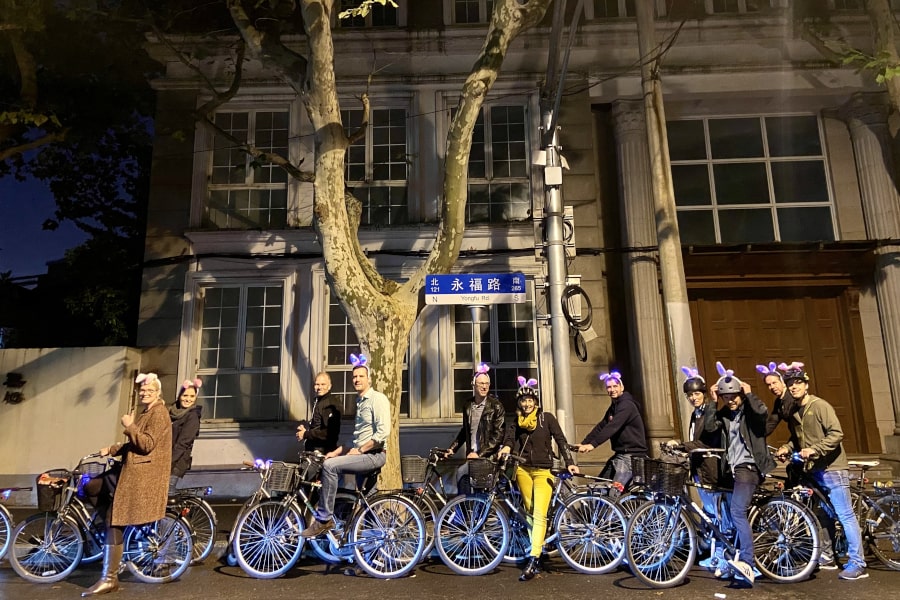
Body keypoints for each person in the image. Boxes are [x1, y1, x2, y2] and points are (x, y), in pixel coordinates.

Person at [774, 362, 868, 581]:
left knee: (845, 515)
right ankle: (827, 556)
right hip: (814, 470)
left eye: (798, 382)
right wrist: (787, 448)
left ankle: (858, 563)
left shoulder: (820, 406)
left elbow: (836, 434)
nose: (794, 386)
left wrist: (814, 450)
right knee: (823, 514)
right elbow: (798, 439)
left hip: (832, 468)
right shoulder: (796, 410)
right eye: (790, 384)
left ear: (806, 384)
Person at [82, 372, 172, 596]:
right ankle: (114, 528)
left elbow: (146, 444)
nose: (145, 393)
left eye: (149, 390)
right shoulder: (148, 412)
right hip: (131, 469)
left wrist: (129, 425)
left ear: (158, 392)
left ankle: (109, 578)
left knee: (114, 520)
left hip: (142, 476)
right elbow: (134, 444)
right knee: (91, 486)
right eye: (142, 390)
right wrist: (111, 449)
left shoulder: (159, 413)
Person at [498, 376, 579, 582]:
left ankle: (533, 559)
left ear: (536, 401)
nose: (526, 404)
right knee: (529, 514)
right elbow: (509, 437)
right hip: (523, 470)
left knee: (540, 513)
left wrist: (569, 461)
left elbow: (561, 440)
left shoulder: (547, 418)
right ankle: (539, 548)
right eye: (523, 400)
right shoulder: (516, 421)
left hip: (543, 471)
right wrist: (506, 447)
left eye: (530, 400)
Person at [301, 354, 388, 538]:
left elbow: (382, 433)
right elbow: (354, 439)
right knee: (369, 502)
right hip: (364, 455)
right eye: (354, 377)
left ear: (369, 379)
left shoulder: (377, 399)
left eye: (361, 376)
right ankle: (378, 542)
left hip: (373, 455)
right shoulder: (360, 402)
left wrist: (361, 450)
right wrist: (336, 452)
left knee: (329, 467)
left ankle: (324, 519)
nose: (357, 379)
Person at [704, 362, 774, 586]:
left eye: (733, 396)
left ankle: (748, 562)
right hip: (733, 470)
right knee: (729, 512)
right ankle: (732, 557)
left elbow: (762, 414)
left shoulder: (750, 412)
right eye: (726, 397)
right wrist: (713, 401)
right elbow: (711, 429)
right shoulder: (726, 414)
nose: (731, 400)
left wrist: (750, 394)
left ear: (740, 394)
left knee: (737, 512)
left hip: (749, 467)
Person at [671, 366, 731, 573]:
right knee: (710, 513)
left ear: (704, 394)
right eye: (690, 395)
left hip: (711, 468)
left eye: (697, 393)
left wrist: (682, 445)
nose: (693, 398)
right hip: (699, 468)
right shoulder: (696, 413)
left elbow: (707, 439)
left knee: (718, 514)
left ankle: (724, 554)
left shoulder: (708, 412)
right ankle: (715, 552)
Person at [576, 370, 647, 486]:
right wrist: (584, 442)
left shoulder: (627, 405)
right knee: (599, 486)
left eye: (615, 386)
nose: (612, 390)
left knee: (613, 493)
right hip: (620, 455)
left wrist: (592, 445)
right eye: (609, 387)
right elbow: (602, 426)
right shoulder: (614, 407)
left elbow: (612, 427)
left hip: (631, 457)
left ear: (621, 387)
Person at [446, 363, 506, 493]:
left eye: (486, 384)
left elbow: (498, 436)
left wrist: (479, 454)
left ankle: (464, 511)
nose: (484, 387)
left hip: (488, 457)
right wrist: (452, 448)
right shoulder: (468, 405)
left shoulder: (496, 406)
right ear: (474, 385)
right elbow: (465, 431)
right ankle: (467, 511)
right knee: (464, 480)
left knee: (463, 474)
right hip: (473, 456)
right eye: (481, 384)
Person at [169, 377, 202, 493]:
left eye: (192, 396)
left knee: (167, 496)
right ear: (179, 396)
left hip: (175, 464)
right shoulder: (171, 412)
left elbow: (183, 443)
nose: (188, 399)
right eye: (185, 395)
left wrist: (169, 463)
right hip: (166, 459)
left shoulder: (192, 417)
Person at [296, 372, 341, 454]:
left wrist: (306, 434)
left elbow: (328, 432)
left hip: (321, 451)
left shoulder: (329, 404)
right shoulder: (319, 401)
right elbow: (318, 426)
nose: (320, 387)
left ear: (329, 386)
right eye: (317, 384)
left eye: (323, 384)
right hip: (313, 449)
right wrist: (306, 431)